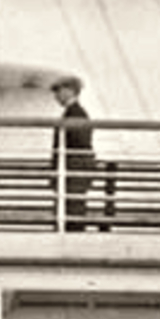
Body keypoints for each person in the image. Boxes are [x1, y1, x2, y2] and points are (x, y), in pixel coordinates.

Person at [49, 75, 95, 232]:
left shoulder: (75, 114)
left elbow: (79, 144)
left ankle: (72, 239)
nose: (56, 95)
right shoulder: (76, 112)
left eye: (58, 90)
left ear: (70, 91)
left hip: (73, 172)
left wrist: (60, 168)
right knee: (71, 210)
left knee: (72, 211)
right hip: (73, 171)